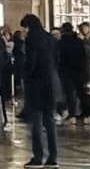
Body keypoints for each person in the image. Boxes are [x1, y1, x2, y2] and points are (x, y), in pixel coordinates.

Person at [20, 13, 58, 168]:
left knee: (36, 122)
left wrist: (25, 74)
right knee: (50, 121)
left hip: (35, 85)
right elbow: (56, 60)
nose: (24, 31)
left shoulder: (31, 40)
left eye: (25, 28)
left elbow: (31, 63)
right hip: (49, 84)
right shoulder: (49, 38)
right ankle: (53, 157)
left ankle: (38, 156)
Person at [56, 21, 88, 123]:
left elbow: (59, 57)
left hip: (66, 71)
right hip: (79, 70)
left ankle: (72, 114)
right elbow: (83, 56)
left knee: (69, 94)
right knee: (81, 93)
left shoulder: (61, 43)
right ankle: (87, 114)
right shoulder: (78, 41)